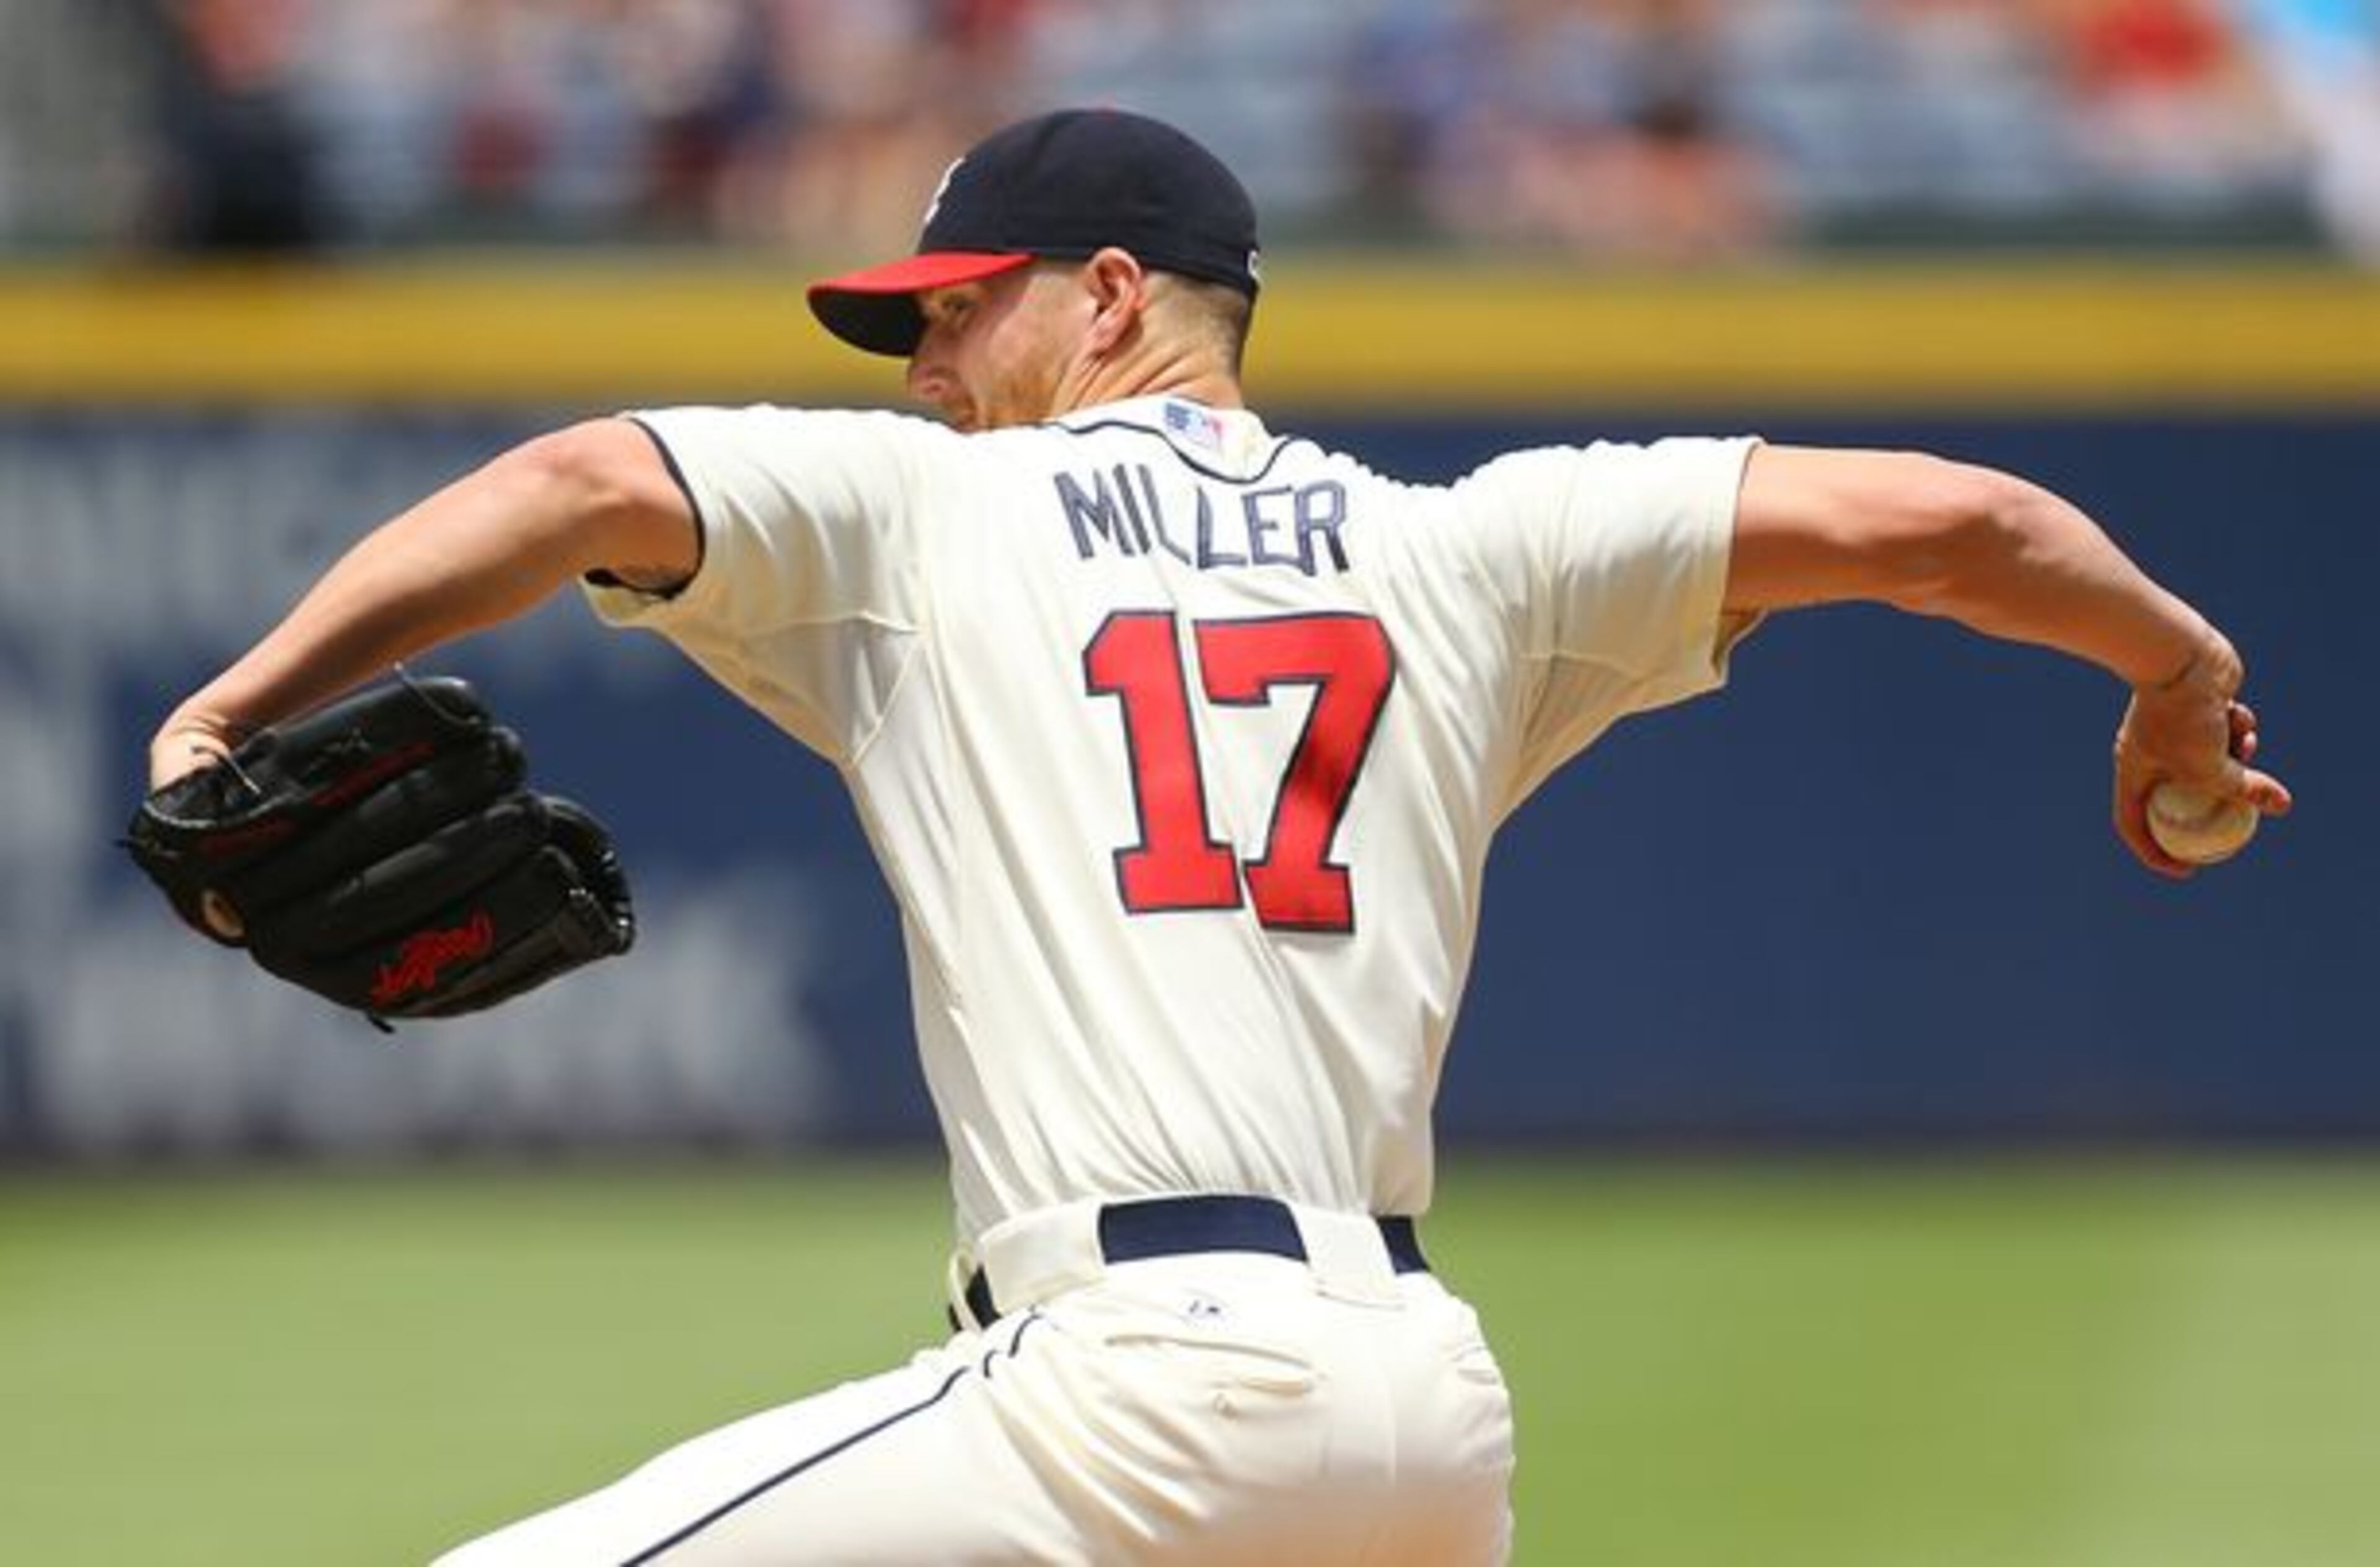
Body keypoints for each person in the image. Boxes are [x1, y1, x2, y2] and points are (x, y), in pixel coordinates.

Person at [146, 107, 2291, 1565]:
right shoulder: (1473, 548)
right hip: (1428, 1423)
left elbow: (571, 482)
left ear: (1106, 297)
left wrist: (233, 704)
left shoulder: (932, 517)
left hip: (1136, 1400)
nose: (916, 365)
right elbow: (1965, 525)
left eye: (947, 310)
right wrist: (2174, 668)